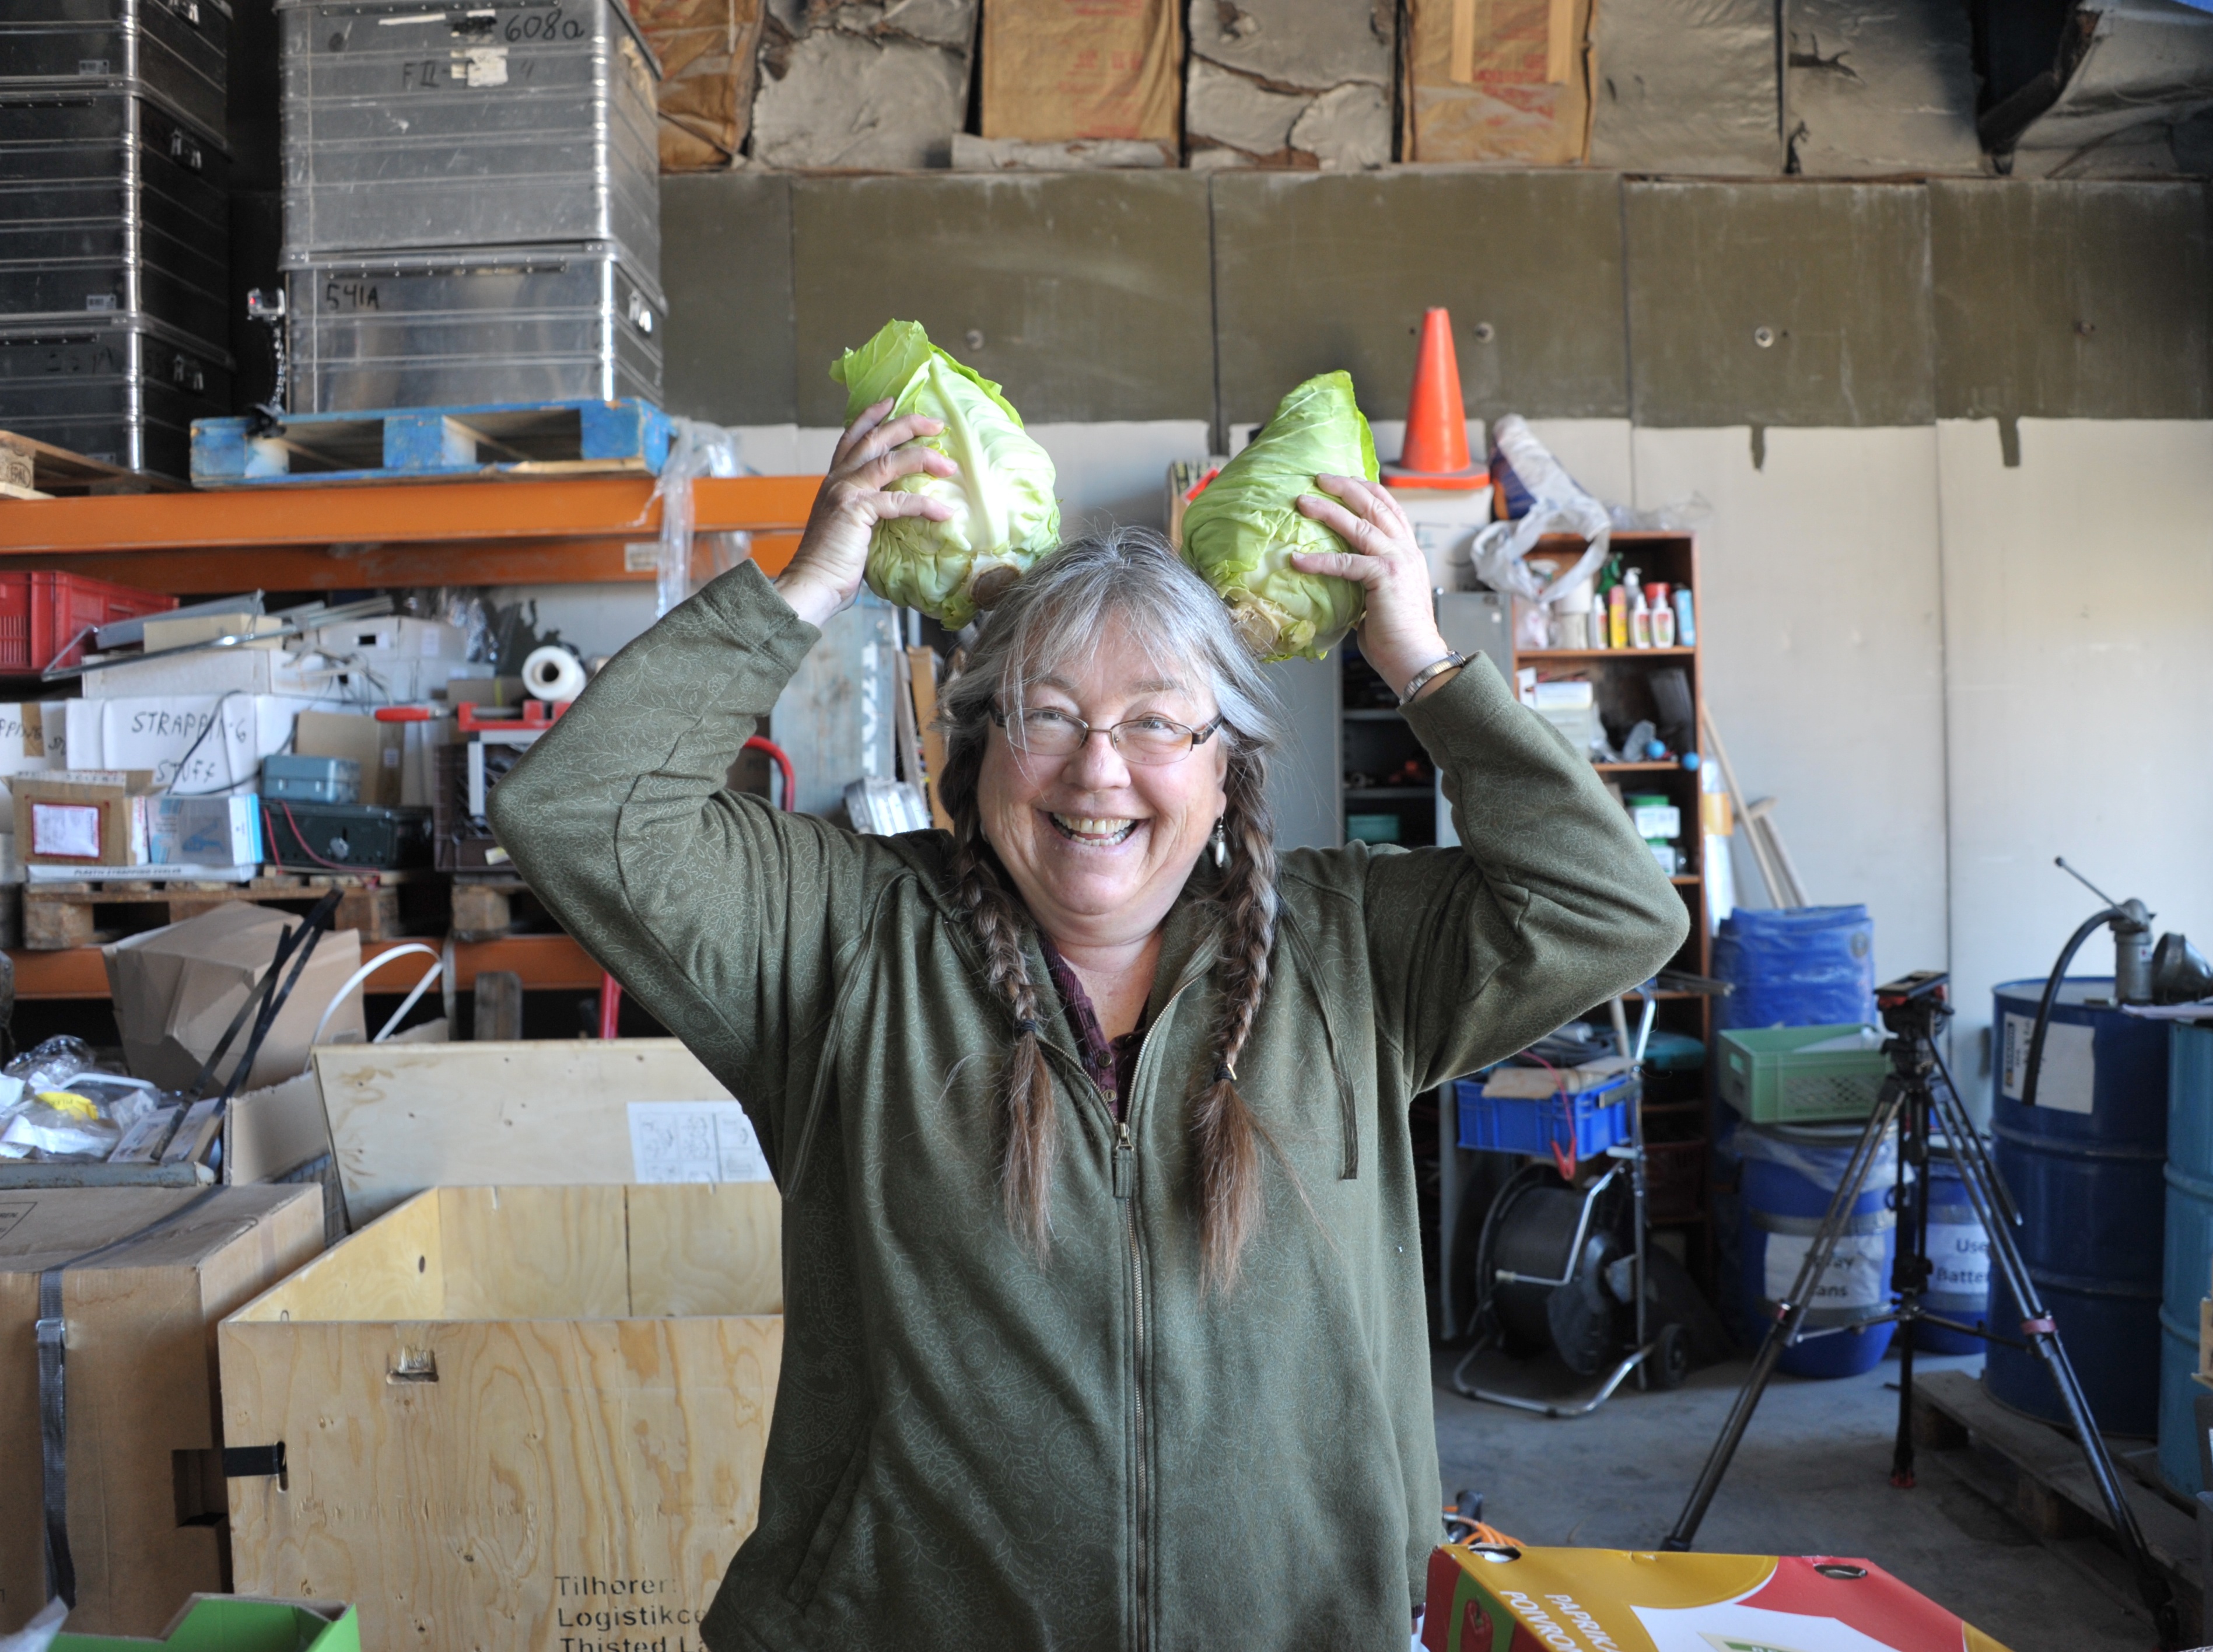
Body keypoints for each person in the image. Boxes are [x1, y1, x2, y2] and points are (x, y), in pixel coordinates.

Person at [489, 398, 1689, 1647]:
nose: (1098, 771)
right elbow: (579, 813)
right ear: (982, 746)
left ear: (1225, 763)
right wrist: (806, 590)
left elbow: (1609, 910)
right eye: (1048, 713)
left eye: (1158, 722)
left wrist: (1424, 669)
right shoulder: (841, 939)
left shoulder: (1352, 953)